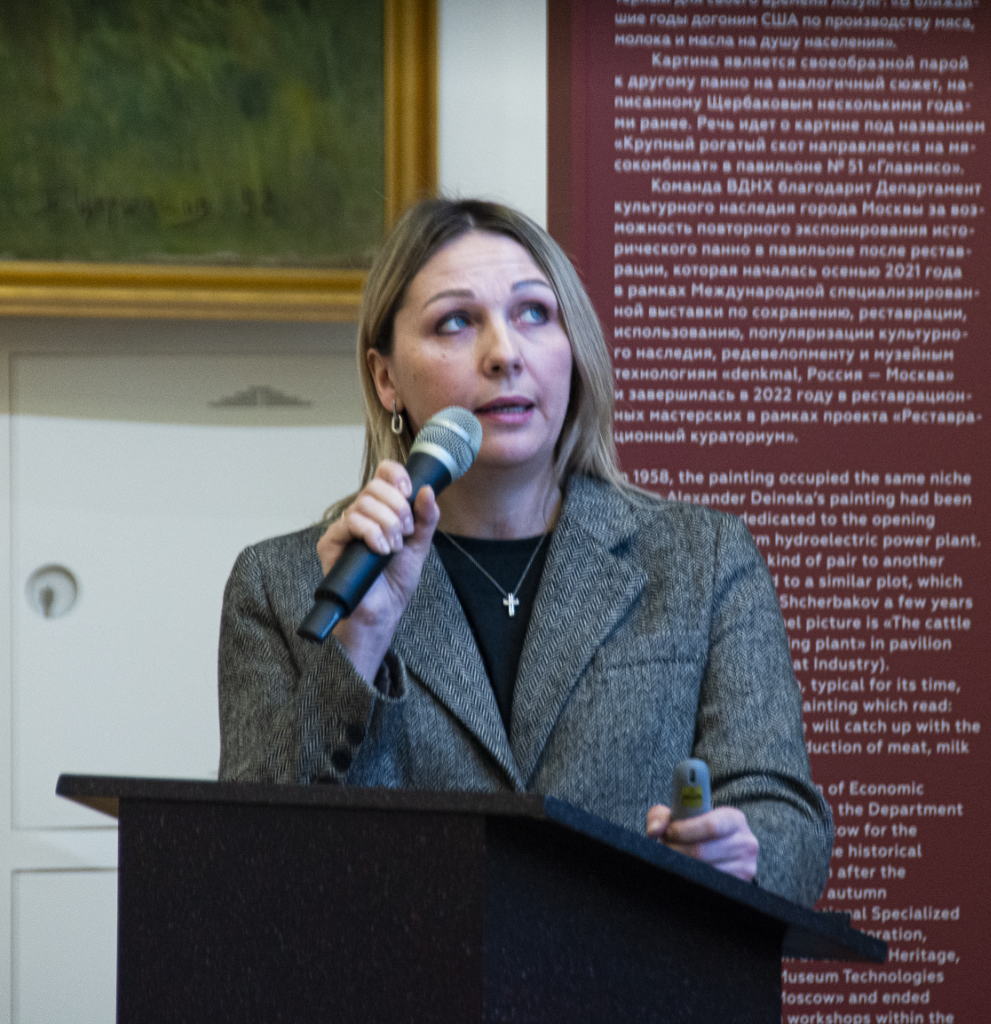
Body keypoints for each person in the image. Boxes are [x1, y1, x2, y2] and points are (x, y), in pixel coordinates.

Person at [216, 198, 833, 905]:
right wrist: (358, 645)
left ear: (573, 350)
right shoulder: (281, 583)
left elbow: (790, 822)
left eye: (534, 313)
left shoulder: (703, 559)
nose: (504, 353)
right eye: (456, 321)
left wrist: (744, 853)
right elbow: (242, 859)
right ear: (386, 378)